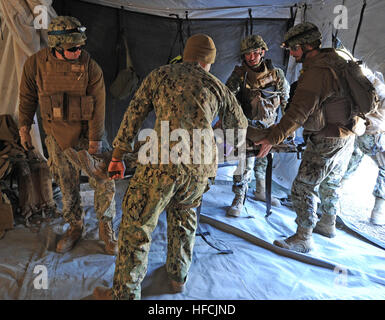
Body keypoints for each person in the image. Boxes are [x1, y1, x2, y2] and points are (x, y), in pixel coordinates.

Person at [93, 33, 248, 300]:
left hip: (160, 166)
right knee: (184, 216)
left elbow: (134, 115)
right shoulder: (217, 86)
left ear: (187, 54)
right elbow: (239, 128)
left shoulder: (160, 75)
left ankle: (124, 294)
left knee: (137, 227)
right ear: (207, 61)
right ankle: (177, 278)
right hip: (199, 171)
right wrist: (214, 147)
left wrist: (118, 155)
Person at [18, 16, 118, 255]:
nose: (79, 51)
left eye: (81, 46)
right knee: (66, 183)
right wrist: (24, 128)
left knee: (104, 180)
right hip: (55, 135)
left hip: (85, 134)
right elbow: (27, 98)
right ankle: (75, 226)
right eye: (72, 48)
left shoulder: (90, 67)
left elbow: (98, 106)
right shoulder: (35, 64)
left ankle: (106, 228)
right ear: (56, 47)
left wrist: (95, 142)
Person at [255, 22, 356, 253]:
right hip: (347, 134)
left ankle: (303, 237)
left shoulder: (316, 72)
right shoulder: (337, 60)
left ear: (307, 46)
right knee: (331, 180)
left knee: (303, 186)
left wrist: (272, 138)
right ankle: (327, 223)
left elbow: (297, 113)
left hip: (327, 137)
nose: (291, 53)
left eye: (294, 48)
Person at [225, 34, 290, 217]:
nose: (251, 57)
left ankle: (260, 190)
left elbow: (286, 101)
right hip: (248, 128)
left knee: (264, 159)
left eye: (254, 53)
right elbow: (227, 99)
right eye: (247, 54)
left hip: (270, 127)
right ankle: (239, 197)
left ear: (262, 51)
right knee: (244, 163)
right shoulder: (239, 75)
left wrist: (287, 128)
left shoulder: (277, 74)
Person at [341, 68, 385, 225]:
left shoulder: (369, 76)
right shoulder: (380, 84)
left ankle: (333, 200)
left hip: (358, 129)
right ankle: (378, 212)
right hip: (373, 134)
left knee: (351, 162)